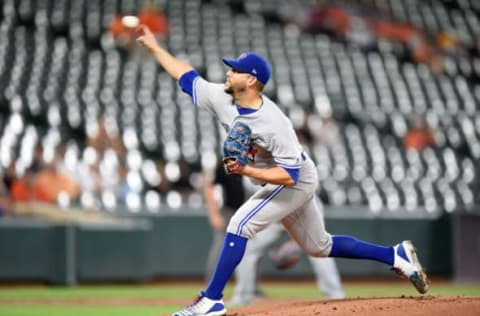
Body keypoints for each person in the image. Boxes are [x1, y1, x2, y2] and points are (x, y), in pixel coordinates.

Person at [136, 25, 429, 316]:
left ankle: (210, 300)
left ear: (251, 80)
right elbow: (186, 75)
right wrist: (155, 47)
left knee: (240, 224)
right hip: (282, 177)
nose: (228, 72)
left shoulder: (273, 123)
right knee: (319, 246)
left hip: (294, 179)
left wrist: (246, 169)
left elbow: (291, 176)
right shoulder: (222, 97)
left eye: (235, 70)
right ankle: (395, 255)